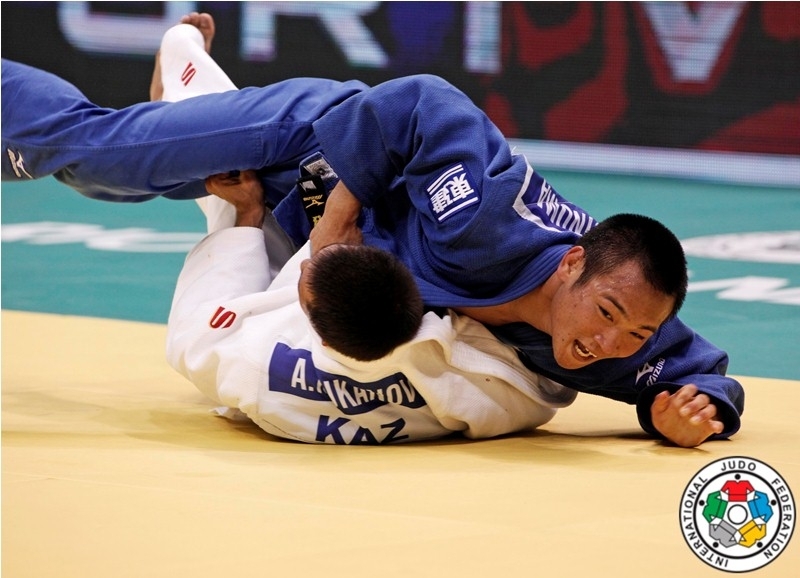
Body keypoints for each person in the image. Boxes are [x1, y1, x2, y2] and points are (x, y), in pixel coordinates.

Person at [0, 14, 744, 447]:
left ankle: (184, 69)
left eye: (635, 336)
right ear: (571, 264)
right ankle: (172, 94)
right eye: (608, 315)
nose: (610, 343)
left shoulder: (616, 333)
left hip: (300, 222)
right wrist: (335, 226)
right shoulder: (489, 220)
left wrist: (682, 414)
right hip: (313, 136)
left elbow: (703, 375)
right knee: (98, 163)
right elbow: (417, 102)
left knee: (185, 178)